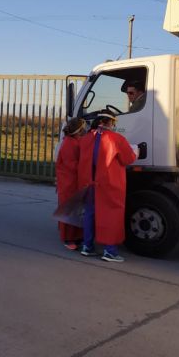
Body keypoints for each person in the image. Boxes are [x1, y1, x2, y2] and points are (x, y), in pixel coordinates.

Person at [77, 110, 138, 262]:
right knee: (111, 214)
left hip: (89, 182)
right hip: (109, 183)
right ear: (109, 122)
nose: (114, 126)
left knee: (90, 213)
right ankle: (109, 251)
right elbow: (128, 158)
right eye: (113, 123)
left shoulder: (85, 139)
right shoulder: (116, 138)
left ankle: (87, 246)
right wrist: (136, 151)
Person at [55, 117, 86, 250]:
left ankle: (77, 236)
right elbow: (71, 165)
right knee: (69, 209)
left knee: (76, 210)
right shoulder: (69, 143)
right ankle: (68, 238)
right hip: (69, 182)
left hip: (73, 181)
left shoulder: (73, 141)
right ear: (78, 130)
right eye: (83, 127)